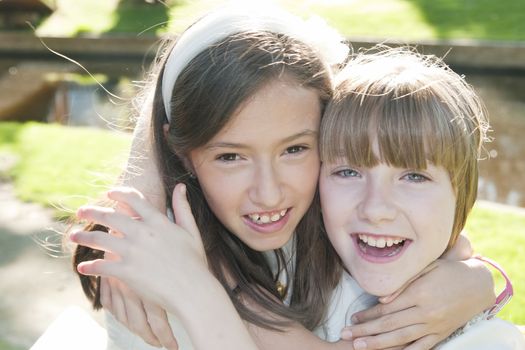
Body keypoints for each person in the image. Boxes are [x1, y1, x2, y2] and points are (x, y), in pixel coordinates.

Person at [70, 5, 498, 350]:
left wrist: (477, 280)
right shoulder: (149, 275)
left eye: (295, 149)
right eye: (231, 156)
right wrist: (201, 292)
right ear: (180, 150)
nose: (269, 194)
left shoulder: (337, 220)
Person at [318, 47, 524, 349]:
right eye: (348, 172)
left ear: (461, 196)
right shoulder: (272, 293)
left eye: (414, 176)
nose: (376, 209)